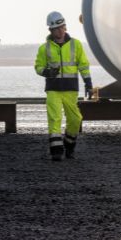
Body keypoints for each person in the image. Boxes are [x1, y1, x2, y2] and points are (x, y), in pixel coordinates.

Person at [35, 11, 92, 161]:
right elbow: (38, 67)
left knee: (75, 119)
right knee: (55, 119)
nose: (59, 31)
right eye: (56, 28)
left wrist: (88, 83)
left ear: (65, 27)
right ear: (50, 30)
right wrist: (47, 72)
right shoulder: (44, 48)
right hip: (53, 89)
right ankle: (56, 151)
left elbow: (83, 65)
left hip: (70, 89)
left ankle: (69, 144)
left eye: (61, 27)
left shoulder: (76, 45)